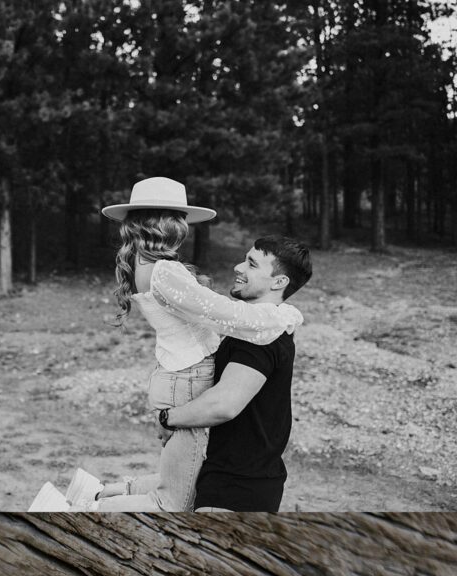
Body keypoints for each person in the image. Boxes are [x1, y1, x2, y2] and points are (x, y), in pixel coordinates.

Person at [93, 177, 305, 512]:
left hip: (178, 376)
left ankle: (103, 494)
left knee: (187, 481)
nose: (183, 227)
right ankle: (88, 511)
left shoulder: (144, 265)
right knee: (172, 503)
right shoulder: (165, 272)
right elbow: (223, 313)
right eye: (179, 219)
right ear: (165, 224)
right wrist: (282, 314)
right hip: (186, 378)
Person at [157, 235, 313, 512]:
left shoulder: (261, 337)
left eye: (251, 264)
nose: (238, 268)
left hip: (237, 488)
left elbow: (224, 404)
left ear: (279, 282)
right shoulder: (262, 328)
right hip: (241, 478)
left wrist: (167, 418)